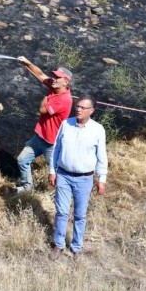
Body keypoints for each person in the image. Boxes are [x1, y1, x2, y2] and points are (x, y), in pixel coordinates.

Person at [48, 96, 108, 261]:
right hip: (64, 175)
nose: (79, 109)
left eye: (83, 107)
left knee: (80, 215)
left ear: (92, 111)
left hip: (85, 179)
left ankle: (76, 247)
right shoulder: (66, 124)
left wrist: (101, 179)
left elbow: (102, 156)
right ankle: (59, 245)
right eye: (78, 106)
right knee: (61, 212)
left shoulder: (97, 130)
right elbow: (56, 149)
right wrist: (52, 170)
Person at [14, 56, 73, 193]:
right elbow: (40, 75)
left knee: (56, 172)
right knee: (22, 160)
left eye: (57, 77)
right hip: (40, 137)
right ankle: (27, 188)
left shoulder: (63, 100)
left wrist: (46, 97)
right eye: (54, 76)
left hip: (51, 144)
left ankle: (62, 193)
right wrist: (28, 63)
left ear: (65, 82)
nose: (54, 79)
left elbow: (42, 110)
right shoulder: (56, 88)